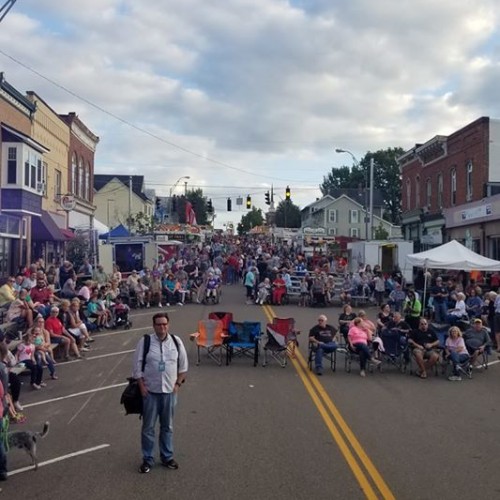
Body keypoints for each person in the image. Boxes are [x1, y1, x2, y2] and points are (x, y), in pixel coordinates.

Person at [132, 312, 188, 474]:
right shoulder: (146, 341)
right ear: (154, 326)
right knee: (148, 427)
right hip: (150, 392)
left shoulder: (176, 342)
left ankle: (167, 457)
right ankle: (148, 459)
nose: (162, 327)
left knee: (167, 427)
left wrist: (177, 385)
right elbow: (137, 366)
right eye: (159, 324)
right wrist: (142, 387)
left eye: (164, 324)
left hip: (170, 392)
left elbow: (183, 367)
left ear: (168, 325)